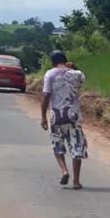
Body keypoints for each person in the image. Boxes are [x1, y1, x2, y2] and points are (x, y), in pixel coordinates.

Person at [41, 50, 88, 189]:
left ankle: (64, 170)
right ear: (66, 60)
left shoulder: (50, 74)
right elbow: (83, 79)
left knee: (58, 145)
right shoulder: (76, 74)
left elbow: (45, 96)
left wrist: (43, 116)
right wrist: (74, 67)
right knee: (77, 147)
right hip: (73, 116)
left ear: (53, 62)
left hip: (56, 116)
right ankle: (76, 181)